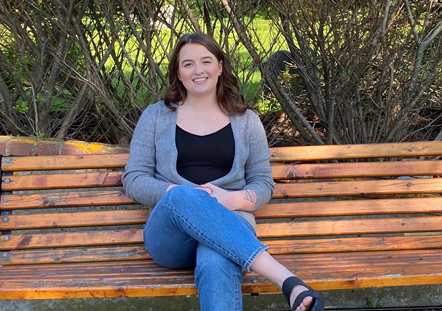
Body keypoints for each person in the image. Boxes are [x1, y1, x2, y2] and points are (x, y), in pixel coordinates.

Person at [123, 32, 326, 311]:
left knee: (216, 259)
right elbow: (134, 179)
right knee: (181, 195)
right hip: (171, 236)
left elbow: (262, 182)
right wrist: (177, 194)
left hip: (231, 220)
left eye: (206, 61)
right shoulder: (156, 116)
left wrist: (231, 200)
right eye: (188, 64)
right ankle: (285, 279)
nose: (198, 70)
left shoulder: (246, 121)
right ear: (178, 73)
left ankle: (288, 283)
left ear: (219, 67)